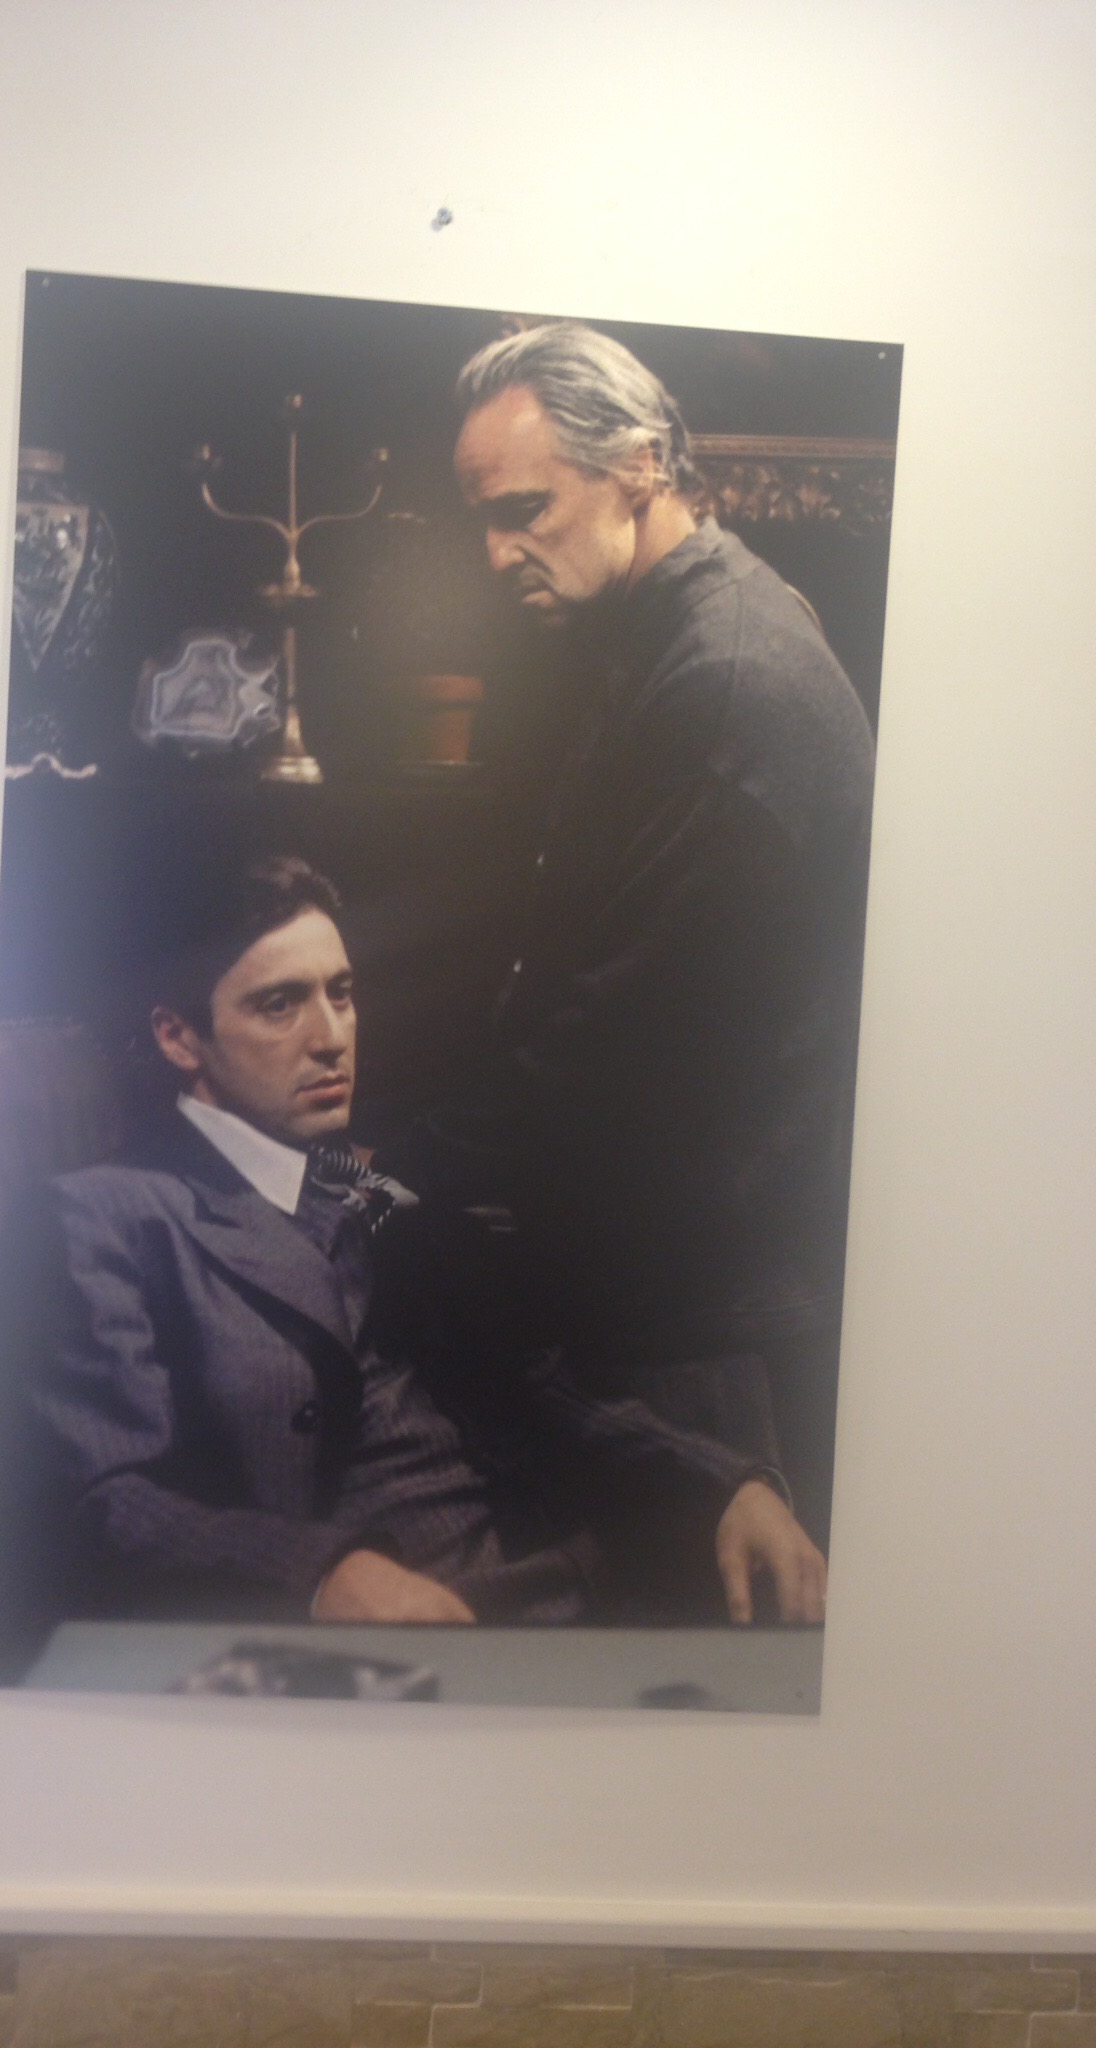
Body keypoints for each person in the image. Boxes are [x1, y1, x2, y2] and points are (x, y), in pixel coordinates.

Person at [21, 854, 827, 1628]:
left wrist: (725, 1484)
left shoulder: (359, 1184)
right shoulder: (105, 1211)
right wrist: (320, 1576)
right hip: (381, 1641)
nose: (331, 1036)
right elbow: (103, 1500)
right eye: (280, 1005)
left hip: (561, 1582)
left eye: (342, 994)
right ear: (178, 1037)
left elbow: (528, 1387)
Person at [428, 321, 877, 1539]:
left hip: (708, 1332)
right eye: (483, 520)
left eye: (526, 509)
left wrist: (397, 1175)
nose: (497, 552)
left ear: (636, 466)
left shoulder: (725, 676)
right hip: (682, 1288)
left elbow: (614, 1037)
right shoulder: (676, 626)